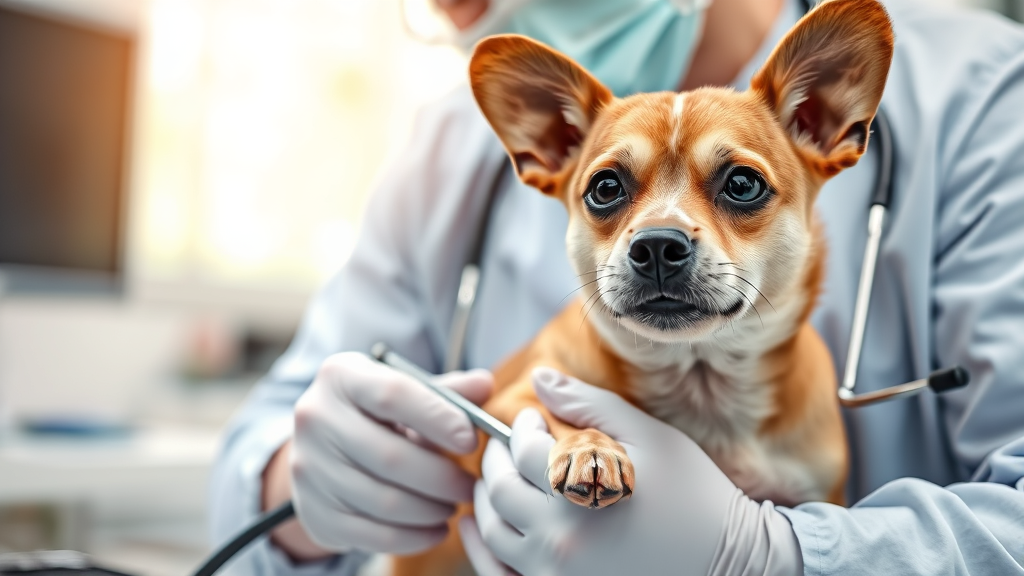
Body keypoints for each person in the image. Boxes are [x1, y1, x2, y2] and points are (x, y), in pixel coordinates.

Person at [208, 0, 1024, 574]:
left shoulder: (979, 93)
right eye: (608, 192)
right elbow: (251, 468)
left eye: (737, 186)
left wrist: (773, 560)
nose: (658, 239)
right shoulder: (444, 151)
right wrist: (299, 488)